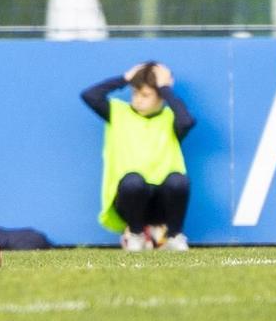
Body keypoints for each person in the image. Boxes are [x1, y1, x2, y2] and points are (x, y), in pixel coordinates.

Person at [81, 62, 195, 251]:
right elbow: (90, 96)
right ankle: (135, 235)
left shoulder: (170, 117)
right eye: (135, 93)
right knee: (134, 181)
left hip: (162, 203)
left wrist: (165, 88)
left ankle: (174, 236)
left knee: (178, 181)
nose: (138, 100)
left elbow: (187, 121)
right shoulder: (117, 112)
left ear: (160, 97)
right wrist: (125, 78)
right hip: (129, 200)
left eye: (145, 95)